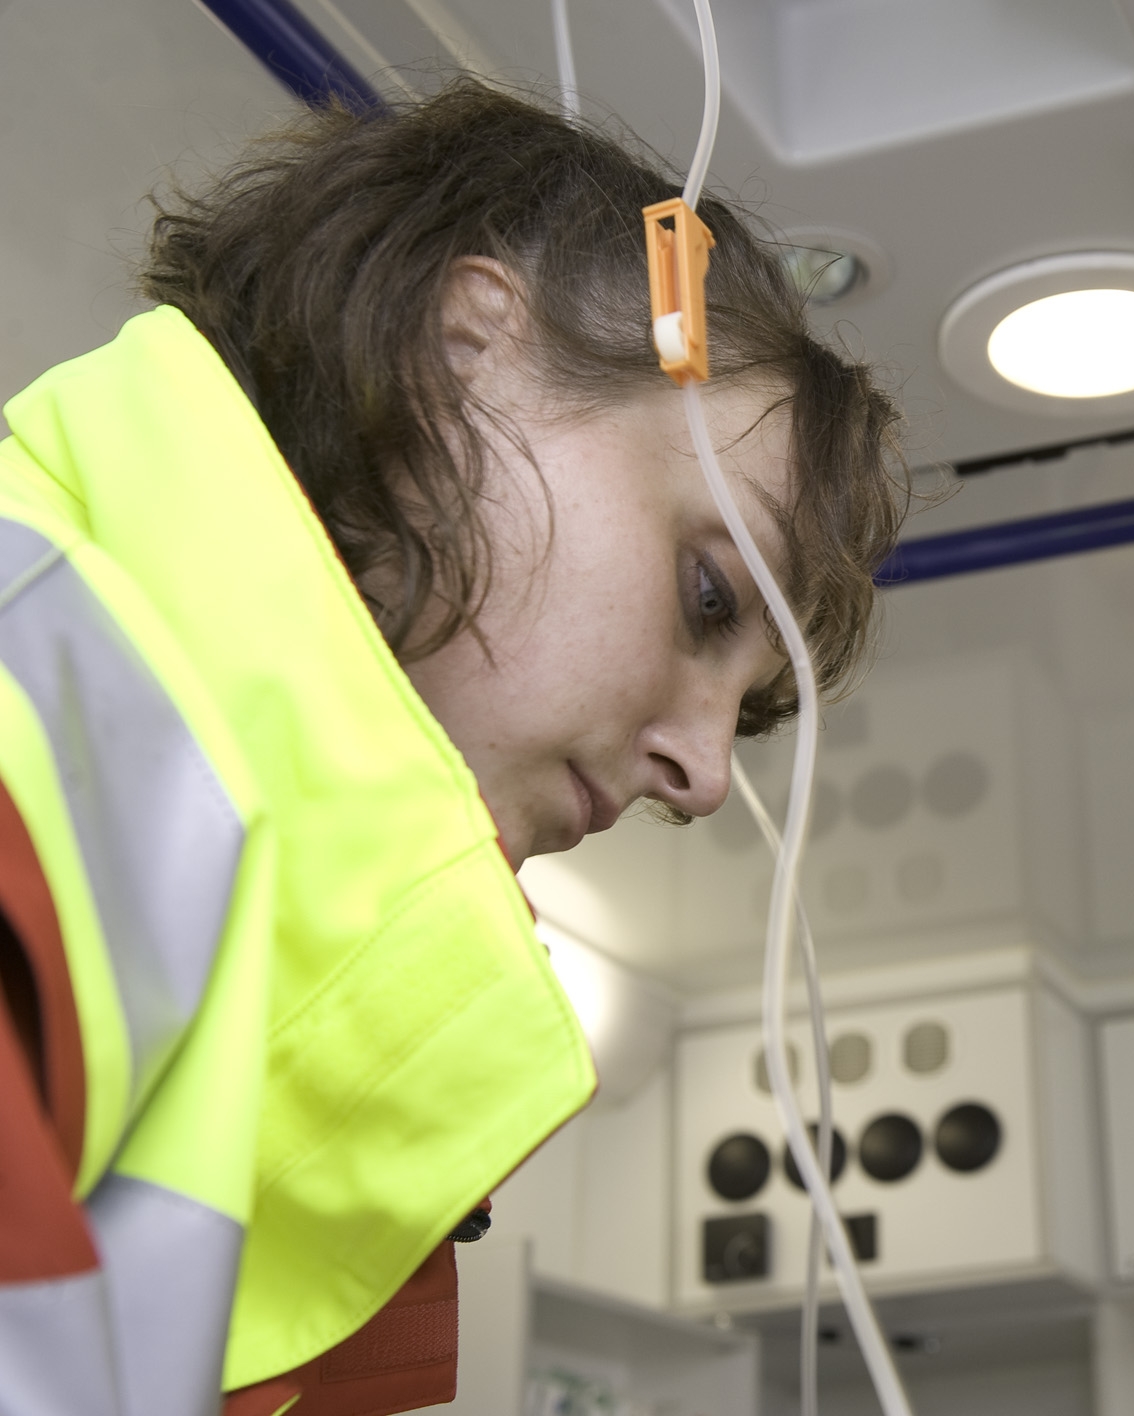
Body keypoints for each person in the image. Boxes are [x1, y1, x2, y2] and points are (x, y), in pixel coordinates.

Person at [0, 82, 904, 1415]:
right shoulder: (38, 735)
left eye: (744, 711)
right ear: (467, 351)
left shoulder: (258, 985)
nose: (706, 777)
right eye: (708, 596)